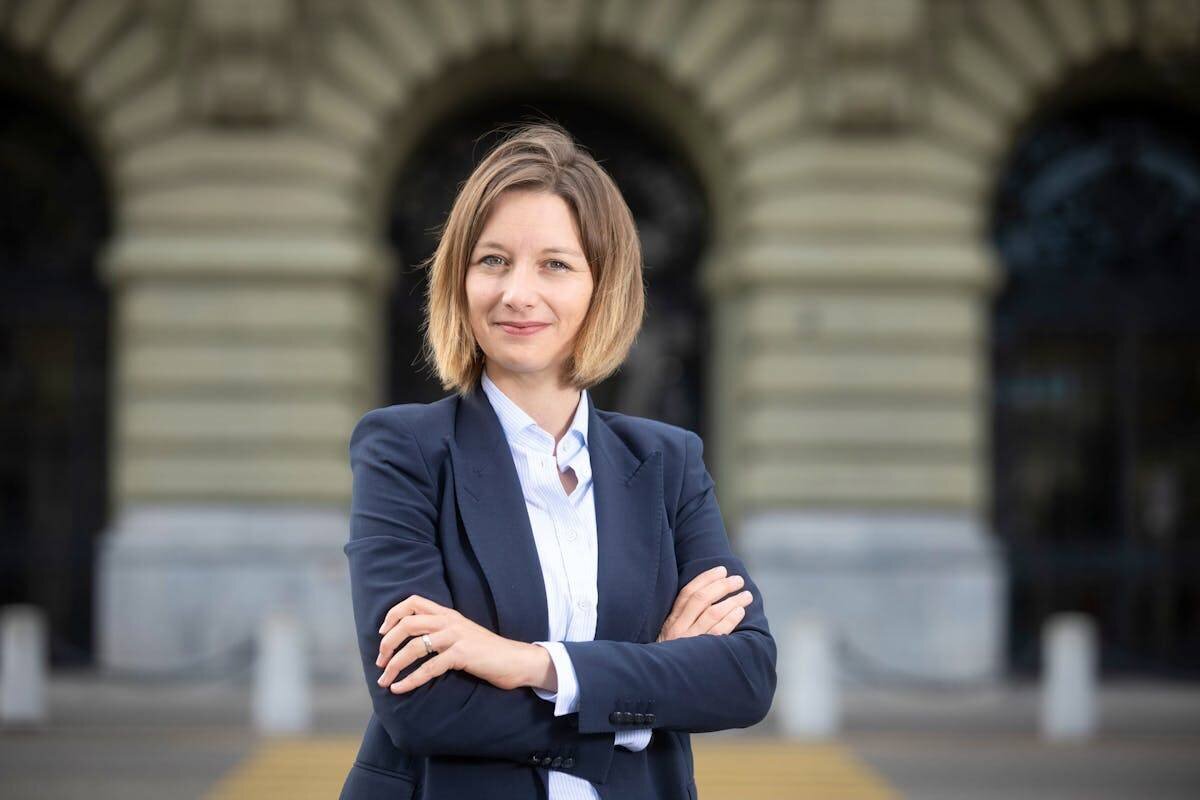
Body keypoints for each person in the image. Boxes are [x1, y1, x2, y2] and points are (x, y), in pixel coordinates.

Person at [340, 121, 777, 800]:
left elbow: (744, 676)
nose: (517, 293)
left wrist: (526, 664)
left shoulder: (668, 462)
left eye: (555, 264)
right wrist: (640, 702)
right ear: (459, 280)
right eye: (492, 261)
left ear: (602, 286)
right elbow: (420, 706)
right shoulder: (405, 452)